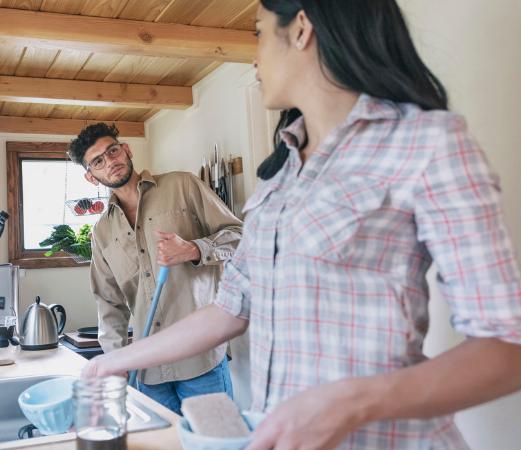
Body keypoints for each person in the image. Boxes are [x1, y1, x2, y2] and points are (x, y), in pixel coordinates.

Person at [82, 1, 521, 449]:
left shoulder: (426, 143)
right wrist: (109, 363)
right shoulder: (283, 172)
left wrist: (351, 403)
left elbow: (508, 348)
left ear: (302, 29)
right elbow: (230, 308)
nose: (253, 56)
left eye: (257, 33)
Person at [67, 123, 243, 415]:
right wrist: (116, 361)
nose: (110, 161)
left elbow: (240, 236)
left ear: (126, 149)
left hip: (201, 361)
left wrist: (194, 248)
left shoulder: (183, 186)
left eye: (113, 150)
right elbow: (109, 304)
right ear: (90, 176)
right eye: (98, 160)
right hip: (147, 373)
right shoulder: (102, 231)